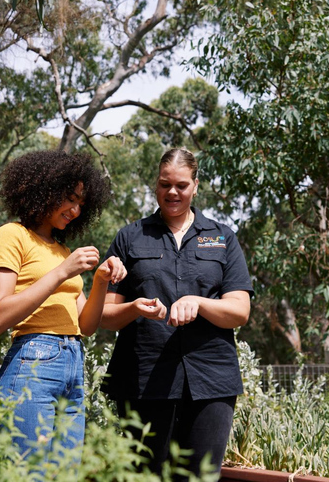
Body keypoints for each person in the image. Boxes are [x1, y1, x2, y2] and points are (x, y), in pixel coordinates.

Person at [100, 147, 254, 479]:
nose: (172, 192)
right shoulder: (130, 237)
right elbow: (105, 315)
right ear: (155, 186)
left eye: (181, 185)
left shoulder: (222, 238)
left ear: (195, 185)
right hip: (143, 379)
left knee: (199, 476)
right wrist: (134, 307)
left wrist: (199, 303)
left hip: (211, 380)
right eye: (164, 184)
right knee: (144, 475)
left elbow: (240, 311)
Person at [0, 149, 127, 459]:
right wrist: (63, 272)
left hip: (74, 365)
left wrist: (101, 281)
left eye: (81, 204)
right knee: (28, 474)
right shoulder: (12, 235)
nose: (75, 210)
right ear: (44, 189)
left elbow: (86, 325)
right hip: (33, 363)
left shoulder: (63, 251)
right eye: (70, 198)